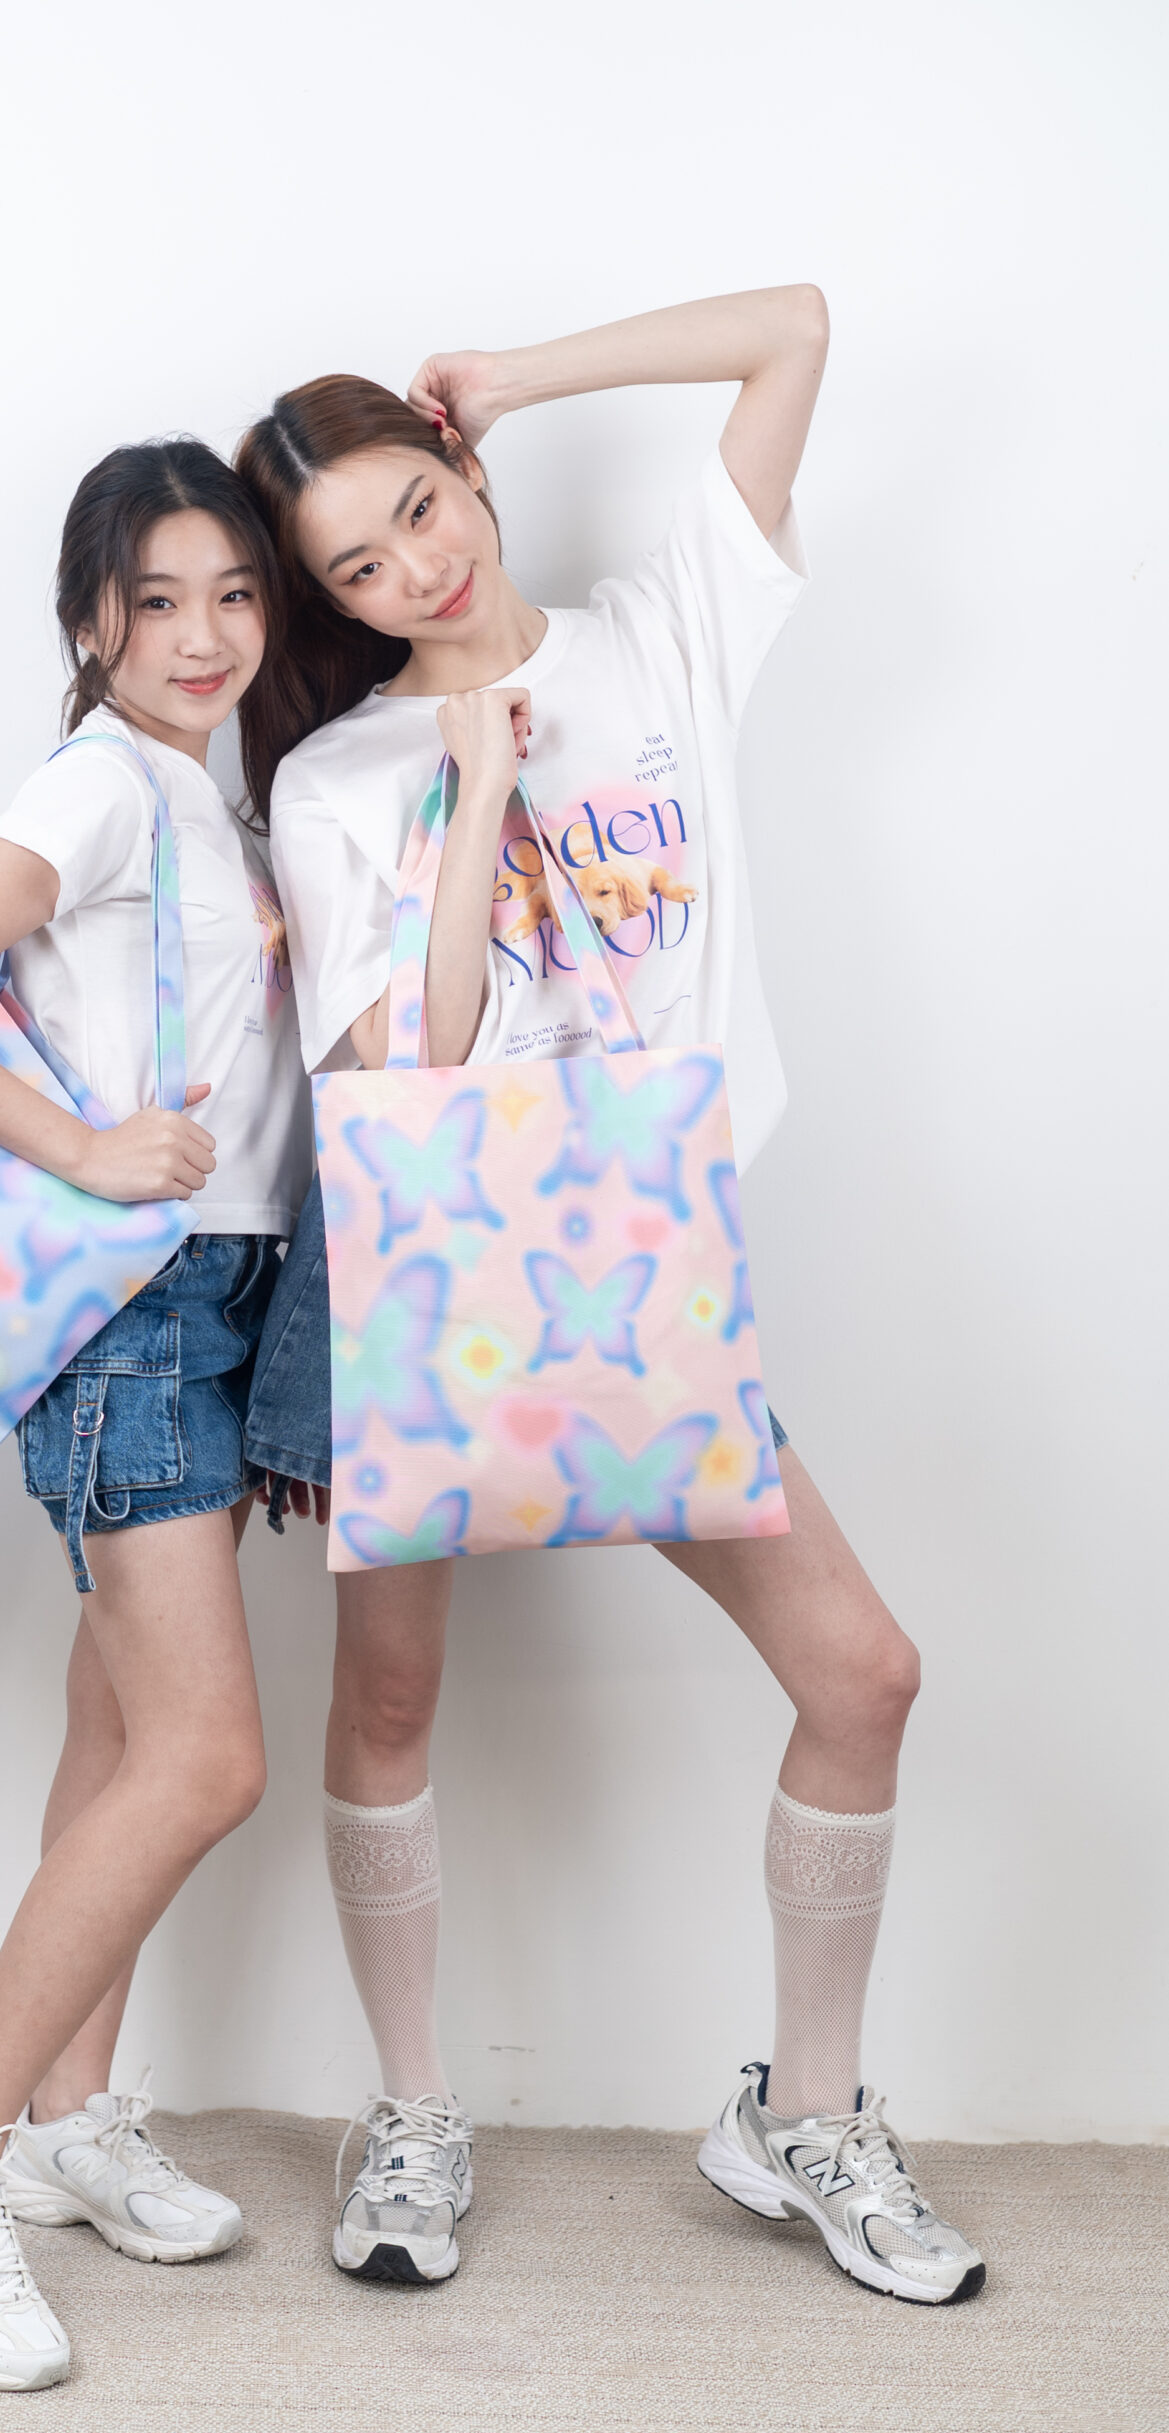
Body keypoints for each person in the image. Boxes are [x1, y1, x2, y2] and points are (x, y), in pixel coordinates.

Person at [234, 291, 985, 2304]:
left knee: (861, 1674)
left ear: (462, 471)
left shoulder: (656, 638)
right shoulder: (335, 780)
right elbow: (404, 1067)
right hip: (432, 1276)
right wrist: (474, 791)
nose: (411, 569)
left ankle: (799, 2116)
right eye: (354, 567)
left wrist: (514, 375)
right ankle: (413, 2110)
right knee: (390, 1698)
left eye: (417, 505)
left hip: (650, 1276)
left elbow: (796, 331)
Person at [0, 438, 311, 2388]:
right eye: (155, 598)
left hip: (219, 1297)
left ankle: (60, 2128)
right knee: (207, 1758)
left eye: (233, 594)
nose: (202, 633)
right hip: (133, 1312)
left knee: (119, 1729)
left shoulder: (207, 793)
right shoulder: (98, 786)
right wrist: (83, 1149)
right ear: (86, 617)